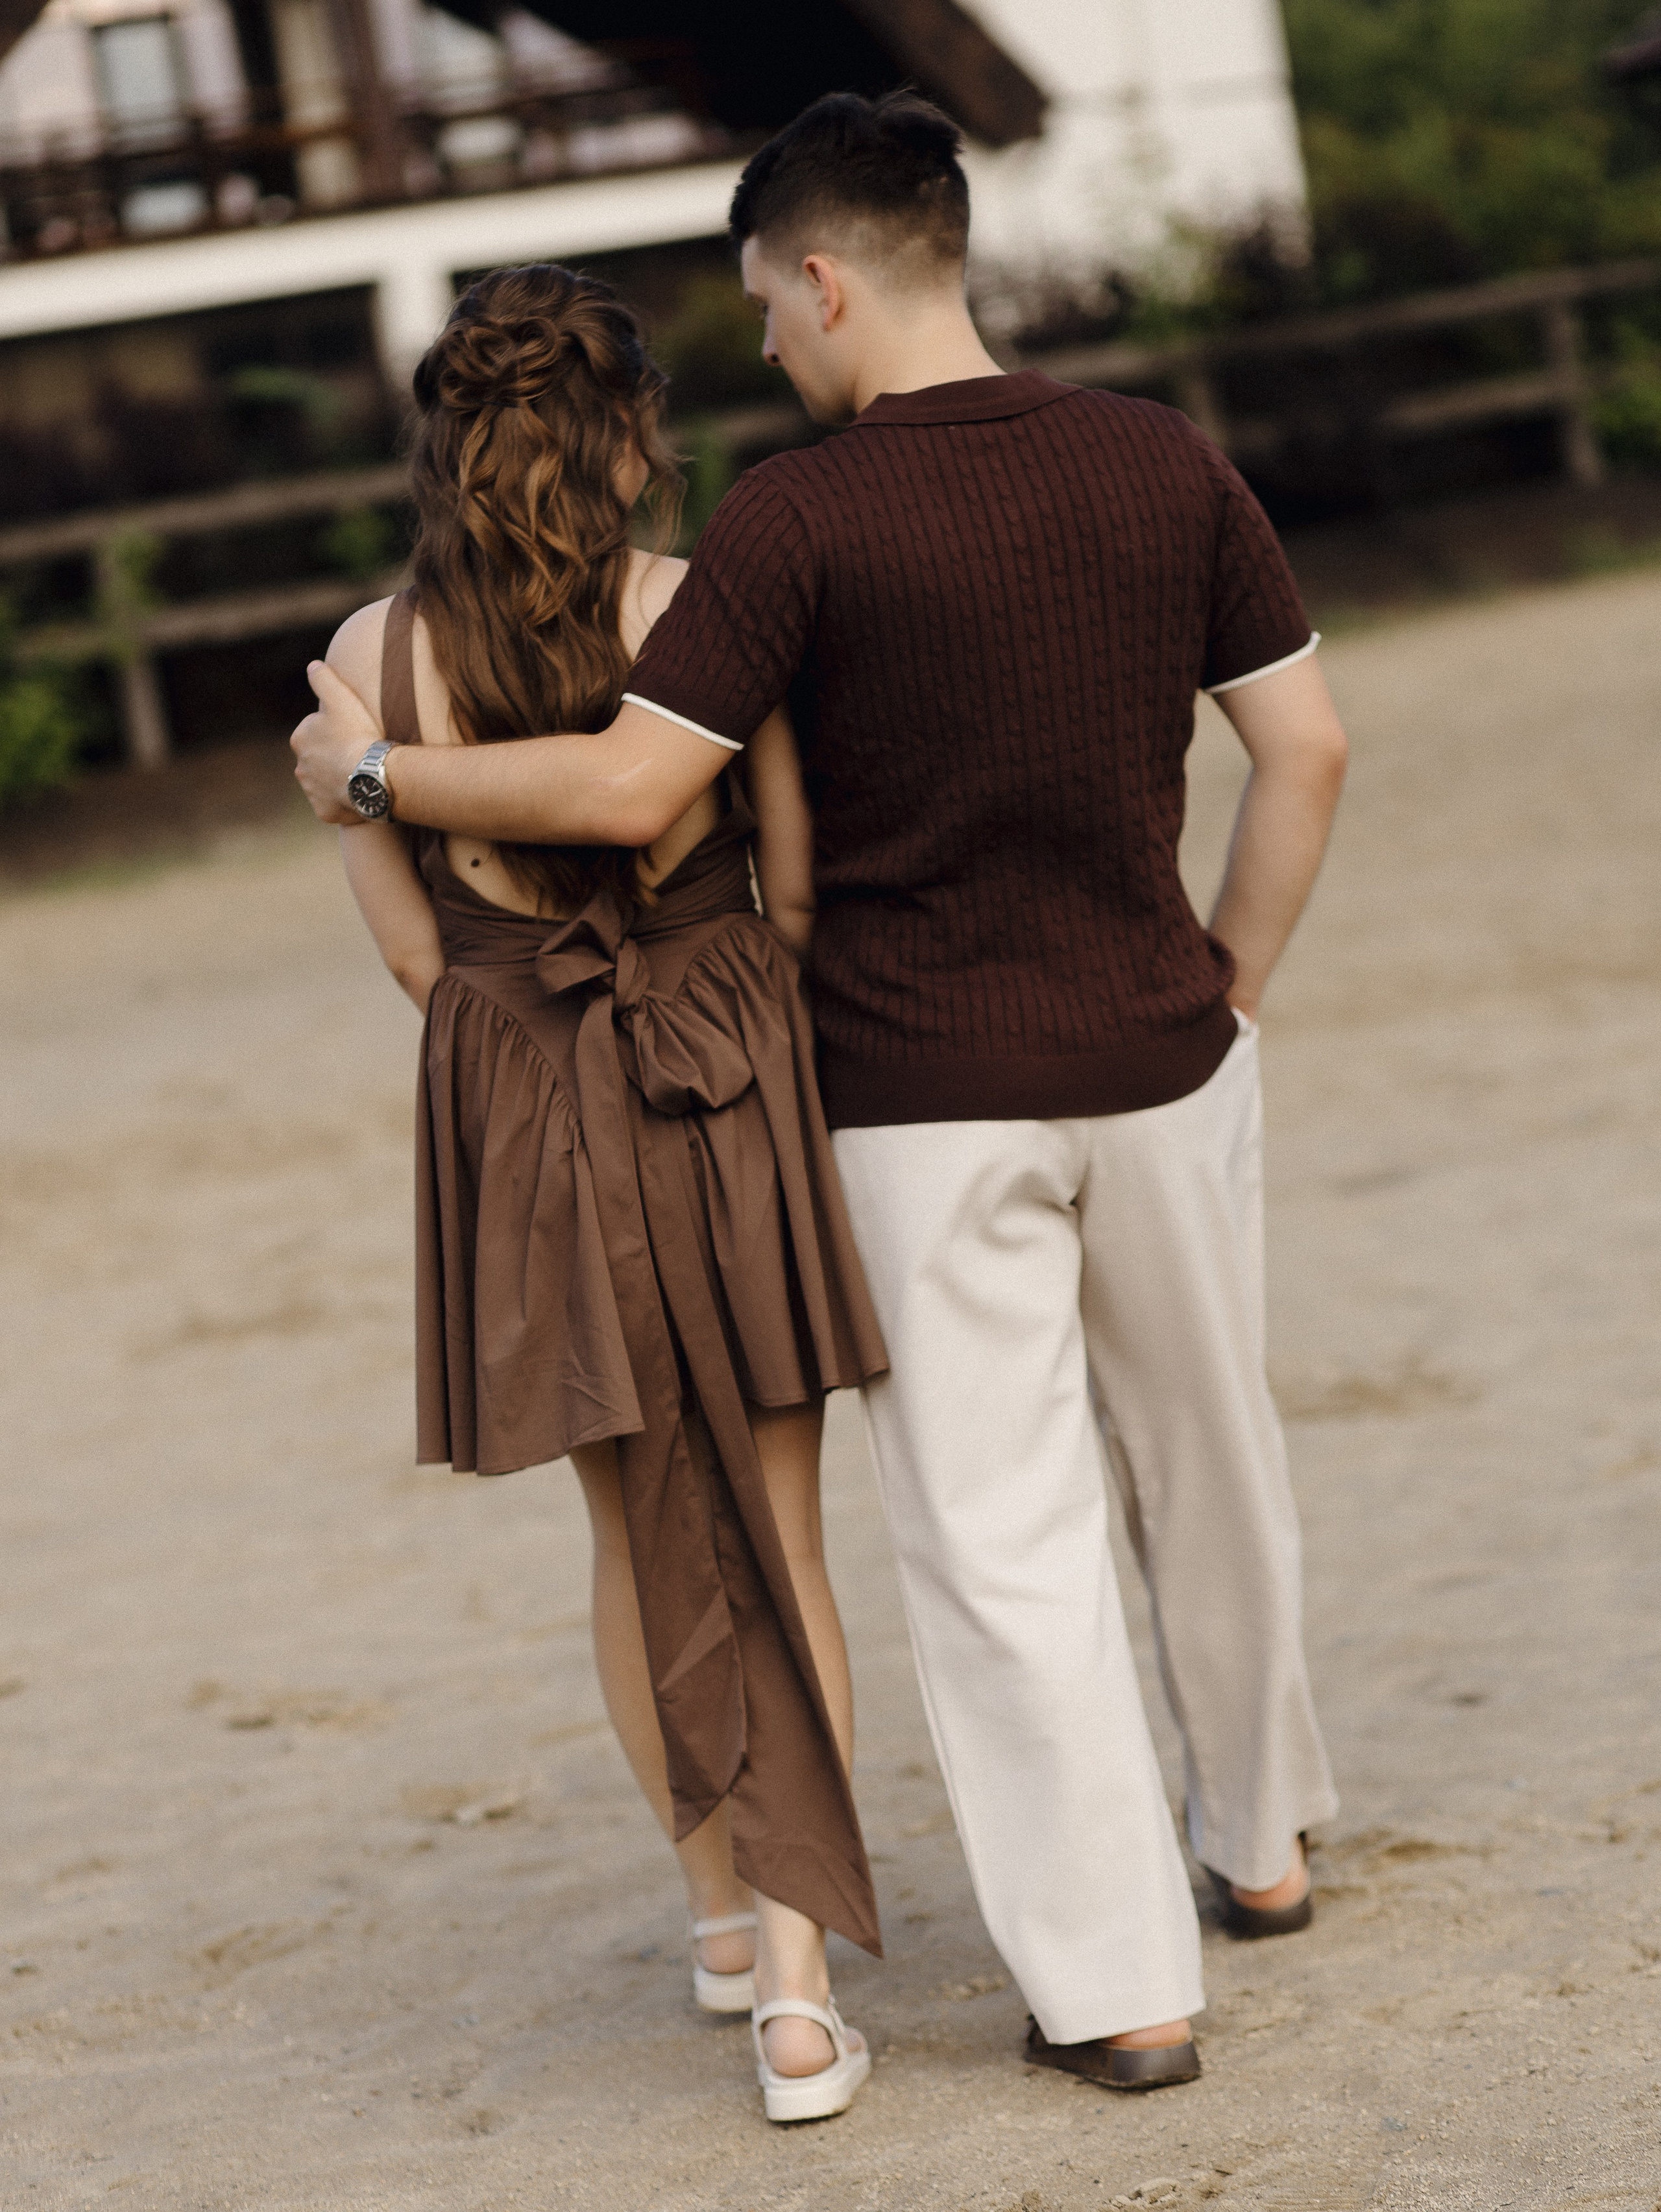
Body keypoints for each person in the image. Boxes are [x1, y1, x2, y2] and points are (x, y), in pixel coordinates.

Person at [293, 93, 1348, 2091]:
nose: (764, 346)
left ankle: (1105, 1985)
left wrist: (370, 778)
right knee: (1213, 1456)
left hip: (909, 1092)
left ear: (827, 275)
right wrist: (1227, 988)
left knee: (989, 1534)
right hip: (1145, 1047)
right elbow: (1305, 754)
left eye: (769, 304)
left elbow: (571, 840)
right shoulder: (1161, 456)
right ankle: (1263, 1843)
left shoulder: (784, 522)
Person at [322, 261, 888, 2124]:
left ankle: (723, 1912)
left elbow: (419, 959)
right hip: (720, 1068)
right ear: (628, 440)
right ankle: (801, 2000)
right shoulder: (701, 609)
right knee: (782, 1531)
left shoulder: (365, 669)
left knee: (630, 1523)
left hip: (528, 1104)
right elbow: (791, 887)